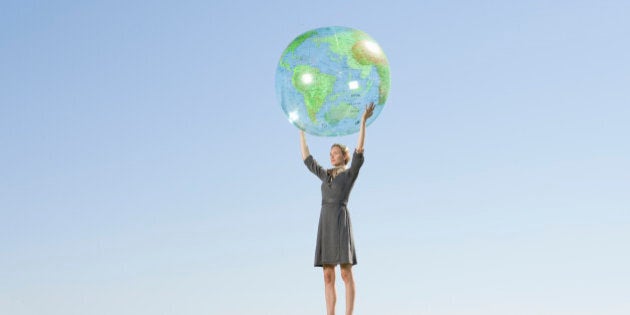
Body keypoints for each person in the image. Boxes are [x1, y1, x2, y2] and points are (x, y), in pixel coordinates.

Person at [299, 102, 375, 315]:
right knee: (327, 275)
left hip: (340, 221)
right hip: (325, 221)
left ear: (344, 155)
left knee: (345, 273)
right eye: (330, 153)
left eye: (335, 153)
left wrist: (362, 122)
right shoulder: (326, 175)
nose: (332, 156)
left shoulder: (349, 174)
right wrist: (301, 131)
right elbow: (307, 159)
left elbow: (360, 151)